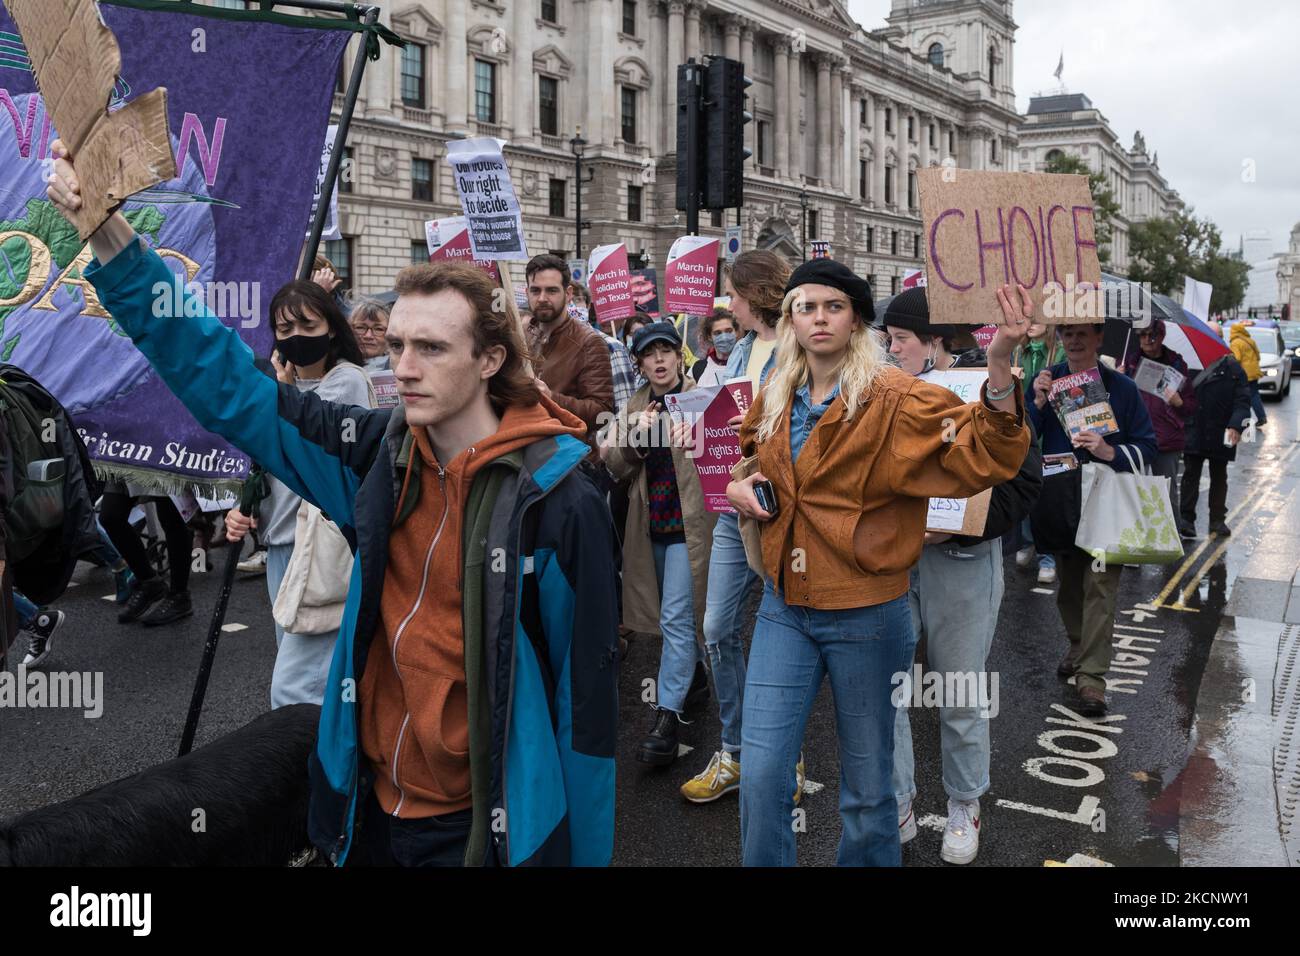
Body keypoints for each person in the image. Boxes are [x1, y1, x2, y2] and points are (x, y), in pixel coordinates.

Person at [52, 138, 620, 867]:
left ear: (490, 359)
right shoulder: (373, 456)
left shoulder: (561, 499)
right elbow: (228, 384)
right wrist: (109, 235)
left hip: (485, 830)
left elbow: (588, 716)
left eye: (432, 349)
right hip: (369, 815)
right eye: (398, 343)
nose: (404, 367)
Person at [727, 259, 1031, 866]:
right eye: (806, 306)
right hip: (785, 608)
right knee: (761, 775)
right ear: (790, 318)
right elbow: (752, 461)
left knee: (870, 795)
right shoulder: (776, 392)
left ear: (857, 320)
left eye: (833, 306)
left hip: (867, 613)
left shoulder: (895, 397)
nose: (818, 318)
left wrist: (999, 364)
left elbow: (988, 452)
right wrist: (741, 487)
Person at [882, 287, 1042, 864]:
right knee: (888, 688)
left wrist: (962, 529)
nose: (889, 348)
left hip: (962, 563)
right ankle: (896, 800)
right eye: (888, 338)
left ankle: (963, 803)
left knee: (959, 689)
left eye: (900, 339)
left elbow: (1024, 484)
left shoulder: (989, 392)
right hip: (896, 562)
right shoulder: (884, 395)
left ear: (935, 343)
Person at [222, 280, 373, 709]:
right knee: (310, 669)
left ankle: (307, 768)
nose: (296, 336)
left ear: (332, 327)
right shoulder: (282, 386)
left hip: (322, 546)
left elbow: (307, 449)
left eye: (308, 324)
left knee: (294, 687)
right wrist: (243, 507)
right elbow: (266, 464)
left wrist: (281, 394)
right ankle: (331, 759)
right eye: (284, 328)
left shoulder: (346, 382)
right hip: (280, 544)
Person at [679, 249, 791, 805]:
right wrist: (691, 431)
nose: (729, 304)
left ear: (754, 295)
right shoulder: (743, 347)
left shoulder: (798, 345)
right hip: (730, 510)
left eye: (734, 294)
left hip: (779, 512)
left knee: (784, 637)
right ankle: (737, 751)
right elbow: (724, 420)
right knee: (718, 628)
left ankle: (784, 757)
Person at [601, 322, 716, 765]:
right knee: (678, 619)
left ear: (679, 356)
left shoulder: (703, 398)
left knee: (675, 619)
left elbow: (728, 453)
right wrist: (637, 436)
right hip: (654, 530)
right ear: (641, 363)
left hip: (692, 530)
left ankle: (666, 719)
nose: (660, 360)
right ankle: (698, 681)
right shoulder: (634, 405)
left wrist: (700, 437)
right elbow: (614, 465)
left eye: (667, 351)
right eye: (651, 354)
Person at [1027, 323, 1157, 717]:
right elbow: (1017, 438)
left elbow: (1148, 445)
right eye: (1067, 334)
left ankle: (1092, 680)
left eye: (1084, 334)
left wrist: (1108, 451)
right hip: (1059, 500)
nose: (1075, 341)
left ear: (1099, 338)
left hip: (1106, 501)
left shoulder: (1123, 388)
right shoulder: (1044, 382)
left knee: (1100, 588)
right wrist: (1035, 404)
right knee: (1068, 588)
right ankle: (1079, 645)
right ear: (1059, 339)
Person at [524, 254, 615, 454]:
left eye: (551, 291)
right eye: (535, 290)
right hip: (526, 455)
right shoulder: (523, 336)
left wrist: (551, 397)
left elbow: (603, 413)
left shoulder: (589, 343)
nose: (542, 298)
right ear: (526, 292)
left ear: (568, 293)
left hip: (569, 460)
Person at [1121, 320, 1197, 534]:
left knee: (1166, 493)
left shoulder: (1177, 364)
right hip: (1135, 437)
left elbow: (1191, 405)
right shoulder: (1129, 361)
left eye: (1151, 335)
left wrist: (1179, 402)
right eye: (1142, 335)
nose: (1146, 340)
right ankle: (1136, 540)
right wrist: (1118, 377)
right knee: (1134, 492)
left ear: (1161, 336)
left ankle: (1170, 539)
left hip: (1167, 438)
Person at [1013, 323, 1065, 584]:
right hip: (1021, 430)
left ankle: (1048, 555)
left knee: (1048, 497)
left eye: (1038, 317)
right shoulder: (1015, 351)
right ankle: (1028, 541)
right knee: (1025, 490)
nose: (1032, 322)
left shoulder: (1061, 352)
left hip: (1052, 435)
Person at [1180, 352, 1253, 537]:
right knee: (1190, 476)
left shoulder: (1234, 368)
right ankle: (1186, 519)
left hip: (1221, 431)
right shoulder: (1188, 366)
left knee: (1219, 477)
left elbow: (1243, 401)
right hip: (1194, 428)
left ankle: (1217, 520)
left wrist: (1236, 425)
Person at [99, 485, 194, 626]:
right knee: (110, 515)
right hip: (130, 463)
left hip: (168, 465)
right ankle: (149, 582)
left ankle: (179, 595)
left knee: (172, 517)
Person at [1229, 322, 1267, 426]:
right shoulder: (1250, 341)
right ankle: (1261, 416)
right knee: (1254, 394)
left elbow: (1236, 359)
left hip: (1244, 374)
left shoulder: (1235, 343)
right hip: (1254, 372)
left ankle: (1245, 420)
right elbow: (1258, 356)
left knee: (1244, 397)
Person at [690, 308, 740, 388]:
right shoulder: (698, 368)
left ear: (736, 332)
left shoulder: (746, 363)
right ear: (709, 336)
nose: (724, 338)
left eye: (729, 331)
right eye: (717, 333)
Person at [350, 297, 392, 373]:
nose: (368, 336)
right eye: (360, 327)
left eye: (378, 329)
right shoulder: (332, 368)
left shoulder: (400, 371)